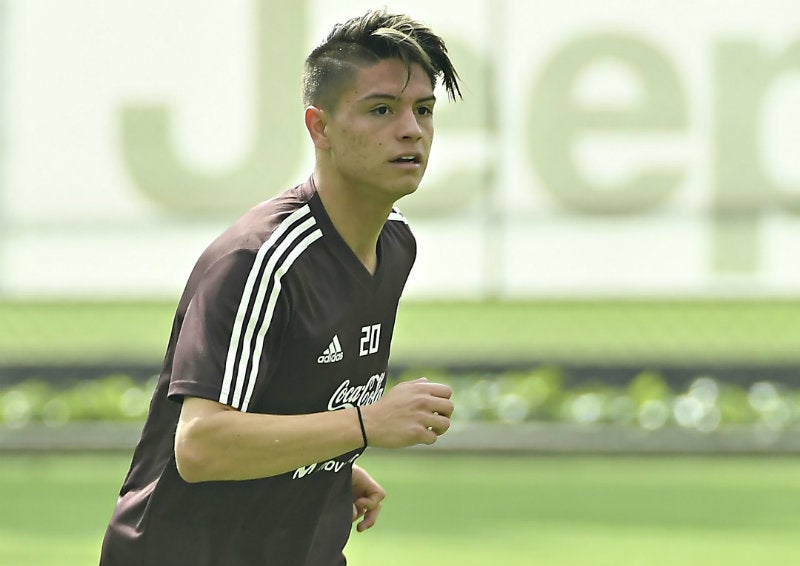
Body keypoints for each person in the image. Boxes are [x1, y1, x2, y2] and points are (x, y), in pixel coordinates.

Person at [99, 9, 462, 566]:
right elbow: (200, 445)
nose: (411, 129)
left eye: (423, 110)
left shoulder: (394, 248)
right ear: (320, 128)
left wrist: (327, 463)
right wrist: (366, 424)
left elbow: (287, 398)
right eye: (381, 109)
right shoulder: (262, 259)